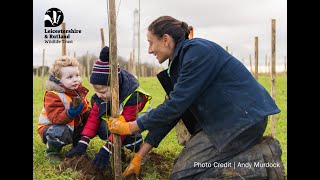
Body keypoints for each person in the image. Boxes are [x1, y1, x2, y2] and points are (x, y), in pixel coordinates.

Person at [107, 16, 285, 179]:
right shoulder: (179, 63)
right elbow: (173, 112)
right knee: (185, 173)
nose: (149, 50)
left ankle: (263, 161)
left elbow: (175, 106)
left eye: (150, 43)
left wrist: (131, 127)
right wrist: (139, 156)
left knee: (182, 177)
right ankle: (251, 155)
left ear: (166, 40)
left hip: (241, 121)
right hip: (222, 122)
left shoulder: (197, 53)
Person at [64, 46, 152, 171]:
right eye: (96, 91)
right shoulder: (102, 97)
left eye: (103, 91)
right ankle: (117, 148)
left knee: (128, 136)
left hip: (138, 121)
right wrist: (83, 143)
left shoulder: (133, 96)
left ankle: (140, 152)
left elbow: (125, 126)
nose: (99, 95)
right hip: (119, 120)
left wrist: (106, 150)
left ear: (115, 85)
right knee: (104, 126)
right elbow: (94, 117)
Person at [38, 56, 91, 163]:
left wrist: (91, 112)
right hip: (51, 129)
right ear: (59, 80)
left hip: (71, 125)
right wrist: (70, 113)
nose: (75, 79)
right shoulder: (53, 95)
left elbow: (84, 112)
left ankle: (77, 147)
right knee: (60, 131)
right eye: (70, 77)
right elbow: (56, 119)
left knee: (88, 123)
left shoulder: (77, 91)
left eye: (77, 75)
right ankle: (52, 151)